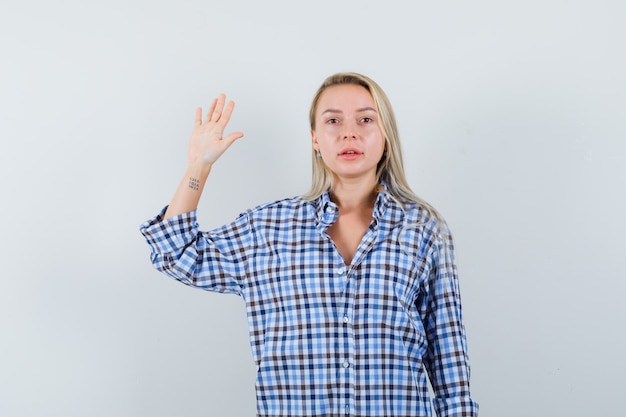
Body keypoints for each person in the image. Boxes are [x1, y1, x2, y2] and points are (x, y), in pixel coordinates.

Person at [140, 72, 478, 416]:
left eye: (365, 119)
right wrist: (199, 166)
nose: (349, 132)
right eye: (333, 120)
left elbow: (448, 358)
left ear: (385, 135)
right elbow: (175, 252)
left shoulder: (422, 228)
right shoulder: (269, 228)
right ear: (315, 139)